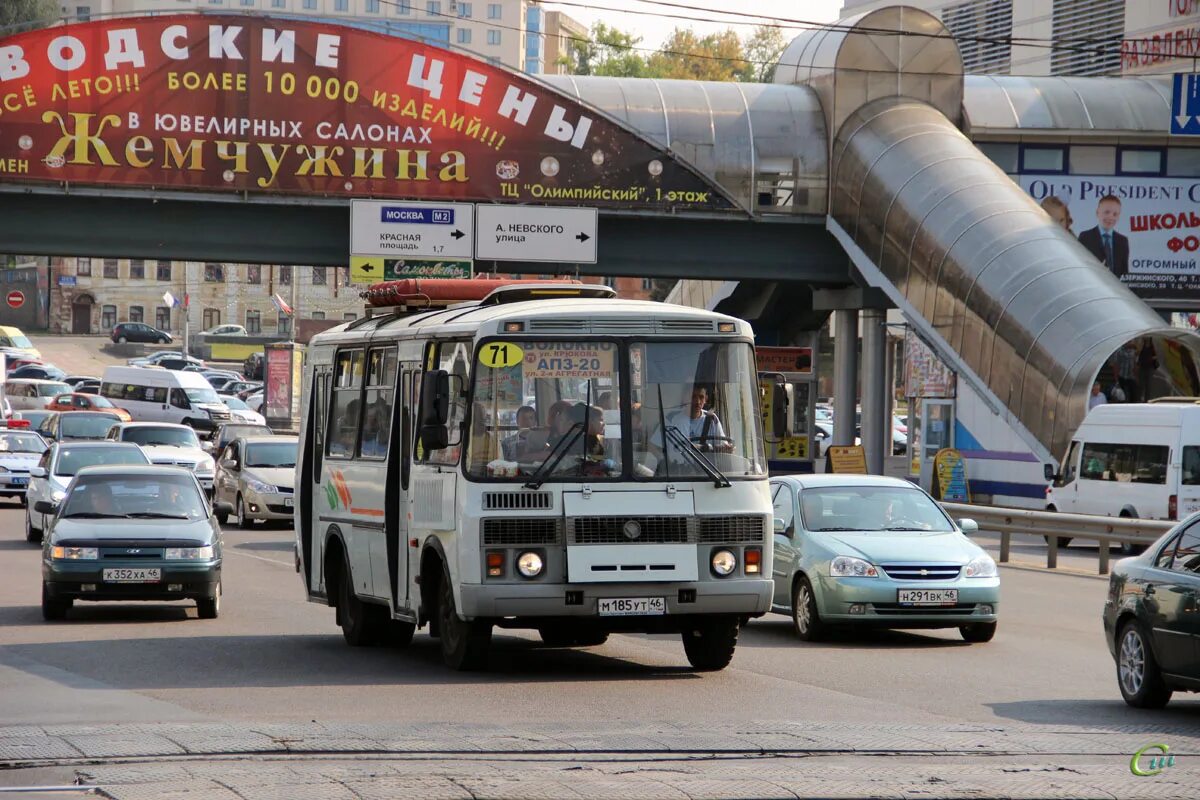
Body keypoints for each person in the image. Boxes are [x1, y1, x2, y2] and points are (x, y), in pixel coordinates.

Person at [1078, 194, 1129, 277]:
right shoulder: (1085, 237)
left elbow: (1125, 273)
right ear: (1097, 213)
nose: (1110, 217)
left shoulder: (1122, 241)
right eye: (1106, 212)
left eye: (1115, 214)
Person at [666, 385, 727, 451]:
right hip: (676, 461)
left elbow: (723, 445)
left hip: (705, 461)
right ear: (685, 398)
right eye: (693, 397)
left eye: (701, 397)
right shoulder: (672, 418)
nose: (698, 402)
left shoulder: (712, 418)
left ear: (705, 399)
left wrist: (727, 448)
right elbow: (655, 446)